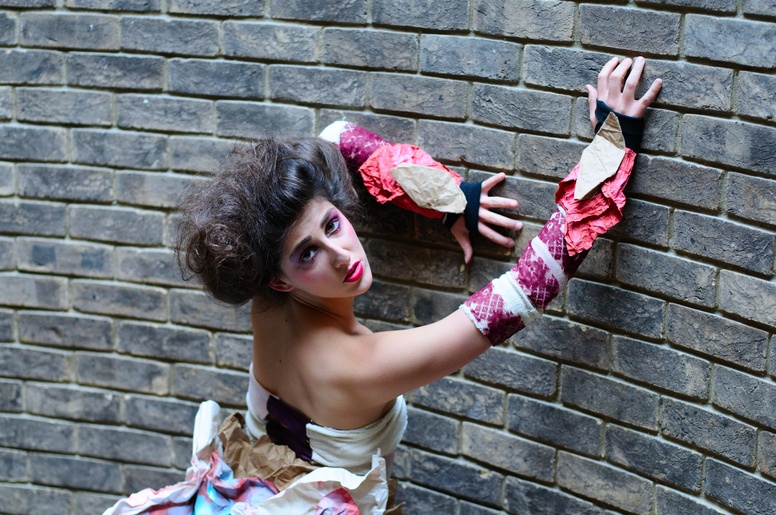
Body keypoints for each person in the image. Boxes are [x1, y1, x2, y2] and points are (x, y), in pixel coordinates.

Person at [104, 57, 661, 514]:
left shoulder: (265, 294)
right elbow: (526, 291)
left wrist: (450, 200)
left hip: (248, 478)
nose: (341, 255)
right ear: (279, 277)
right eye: (307, 254)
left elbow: (334, 137)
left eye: (332, 224)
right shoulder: (360, 364)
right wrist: (614, 141)